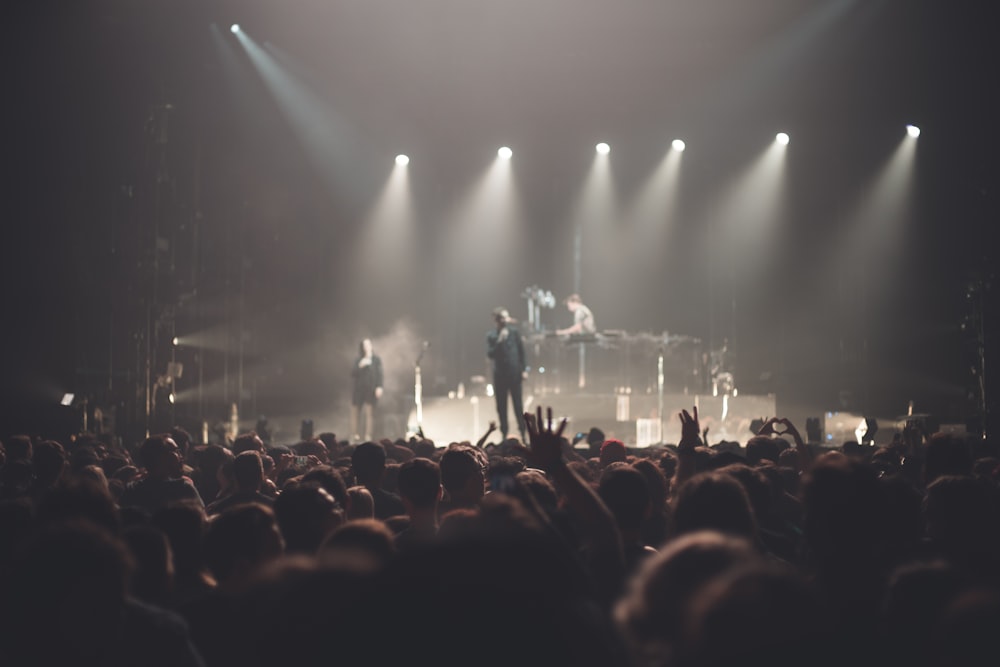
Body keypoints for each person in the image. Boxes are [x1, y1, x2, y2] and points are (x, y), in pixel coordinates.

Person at [486, 307, 528, 442]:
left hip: (515, 374)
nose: (505, 320)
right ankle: (504, 434)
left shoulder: (514, 333)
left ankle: (523, 433)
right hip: (500, 375)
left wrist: (524, 369)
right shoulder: (492, 335)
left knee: (518, 405)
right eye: (502, 318)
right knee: (501, 406)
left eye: (506, 317)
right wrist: (500, 340)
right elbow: (490, 354)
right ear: (496, 320)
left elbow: (522, 351)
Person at [350, 338, 383, 441]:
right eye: (364, 345)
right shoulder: (358, 359)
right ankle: (355, 435)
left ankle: (368, 436)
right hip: (359, 390)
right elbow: (353, 373)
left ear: (371, 346)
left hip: (371, 390)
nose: (367, 347)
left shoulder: (376, 359)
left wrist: (379, 386)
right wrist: (361, 365)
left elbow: (380, 374)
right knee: (355, 413)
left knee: (370, 414)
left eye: (368, 345)